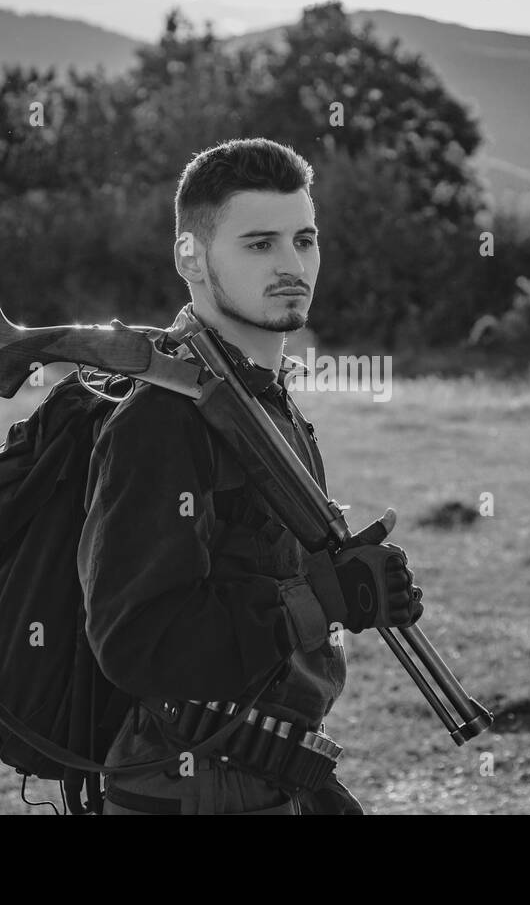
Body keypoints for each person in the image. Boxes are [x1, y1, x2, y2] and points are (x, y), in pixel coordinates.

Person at [77, 138, 424, 814]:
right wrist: (316, 601)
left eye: (304, 240)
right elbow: (134, 642)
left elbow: (268, 578)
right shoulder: (164, 418)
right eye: (259, 244)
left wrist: (356, 587)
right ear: (191, 257)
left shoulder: (262, 398)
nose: (292, 265)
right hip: (190, 786)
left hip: (273, 772)